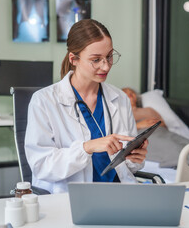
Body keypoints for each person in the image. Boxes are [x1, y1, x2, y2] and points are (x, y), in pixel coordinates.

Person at [25, 19, 148, 194]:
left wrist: (136, 158)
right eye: (96, 60)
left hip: (118, 196)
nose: (106, 66)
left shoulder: (120, 98)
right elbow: (42, 166)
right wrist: (87, 147)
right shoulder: (43, 101)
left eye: (109, 56)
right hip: (70, 199)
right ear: (74, 59)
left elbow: (129, 167)